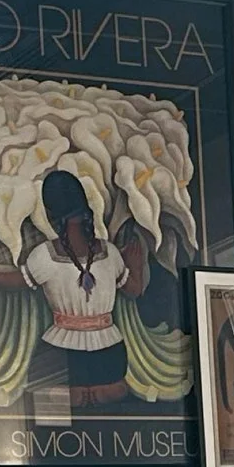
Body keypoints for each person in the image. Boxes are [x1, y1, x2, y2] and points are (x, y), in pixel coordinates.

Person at [20, 170, 146, 409]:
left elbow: (18, 280)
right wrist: (136, 266)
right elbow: (135, 289)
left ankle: (87, 397)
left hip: (61, 351)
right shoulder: (110, 253)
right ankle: (93, 396)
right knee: (110, 395)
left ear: (49, 214)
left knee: (51, 399)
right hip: (109, 349)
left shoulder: (44, 256)